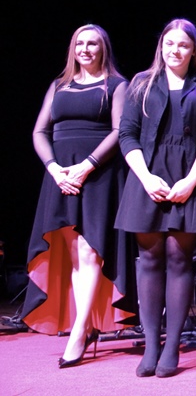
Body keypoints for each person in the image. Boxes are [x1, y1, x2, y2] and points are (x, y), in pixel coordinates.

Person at [115, 18, 196, 378]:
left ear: (194, 51)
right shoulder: (141, 83)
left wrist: (191, 182)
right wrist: (145, 178)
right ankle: (151, 345)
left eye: (183, 45)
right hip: (147, 176)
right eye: (170, 43)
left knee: (179, 258)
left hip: (189, 177)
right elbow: (127, 134)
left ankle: (172, 346)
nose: (175, 50)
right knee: (148, 258)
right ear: (161, 46)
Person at [22, 24, 135, 368]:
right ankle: (84, 327)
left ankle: (78, 332)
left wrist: (86, 166)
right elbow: (40, 131)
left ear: (103, 49)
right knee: (75, 256)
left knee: (89, 252)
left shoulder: (116, 85)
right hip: (61, 176)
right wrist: (55, 169)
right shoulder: (59, 85)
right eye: (80, 43)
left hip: (99, 174)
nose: (85, 49)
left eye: (92, 44)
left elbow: (119, 130)